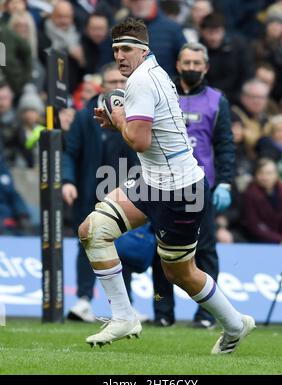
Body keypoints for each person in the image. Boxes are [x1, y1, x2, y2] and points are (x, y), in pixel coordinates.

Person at [79, 17, 255, 353]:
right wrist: (121, 122)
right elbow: (147, 134)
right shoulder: (152, 74)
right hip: (153, 181)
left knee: (181, 273)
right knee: (92, 229)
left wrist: (118, 117)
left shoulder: (142, 82)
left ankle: (235, 325)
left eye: (127, 48)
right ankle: (123, 315)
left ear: (143, 50)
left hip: (180, 191)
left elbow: (141, 141)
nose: (120, 56)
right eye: (115, 49)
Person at [151, 42, 235, 328]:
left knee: (206, 250)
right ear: (177, 64)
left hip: (201, 187)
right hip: (162, 184)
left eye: (196, 63)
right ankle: (162, 312)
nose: (191, 68)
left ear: (206, 67)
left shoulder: (216, 100)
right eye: (186, 62)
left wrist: (224, 182)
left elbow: (225, 145)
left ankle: (205, 315)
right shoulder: (162, 92)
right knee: (160, 250)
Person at [63, 62, 138, 323]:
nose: (117, 87)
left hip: (123, 192)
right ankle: (84, 299)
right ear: (101, 86)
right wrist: (68, 181)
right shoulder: (85, 116)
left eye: (121, 82)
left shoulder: (134, 114)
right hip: (88, 191)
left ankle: (125, 303)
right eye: (111, 83)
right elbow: (70, 151)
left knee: (123, 247)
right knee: (86, 243)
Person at [241, 158, 282, 245]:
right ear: (256, 175)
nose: (265, 177)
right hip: (257, 242)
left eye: (269, 173)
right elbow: (253, 226)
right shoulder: (249, 194)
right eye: (261, 173)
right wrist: (280, 239)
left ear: (276, 175)